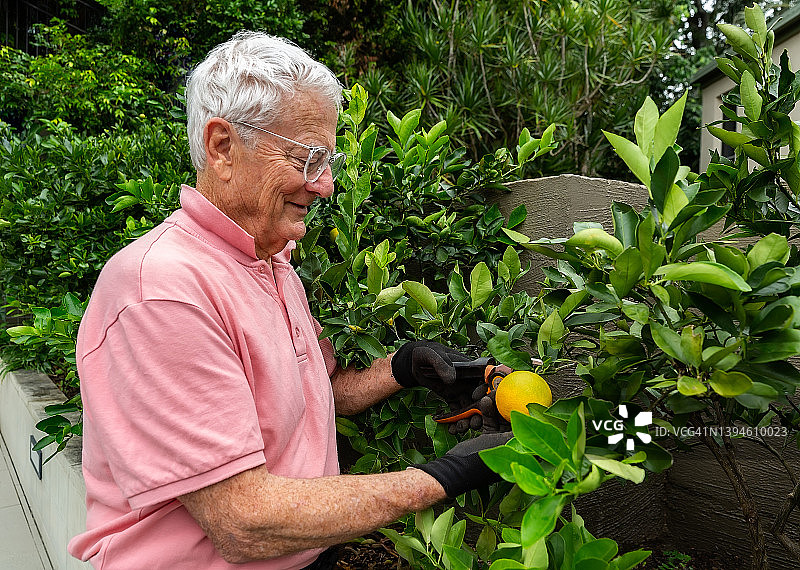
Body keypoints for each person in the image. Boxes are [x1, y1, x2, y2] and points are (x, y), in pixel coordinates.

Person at [67, 31, 509, 570]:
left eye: (328, 160)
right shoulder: (162, 292)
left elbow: (315, 393)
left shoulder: (270, 261)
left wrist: (405, 366)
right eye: (307, 158)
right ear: (222, 146)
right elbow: (243, 521)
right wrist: (443, 477)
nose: (323, 185)